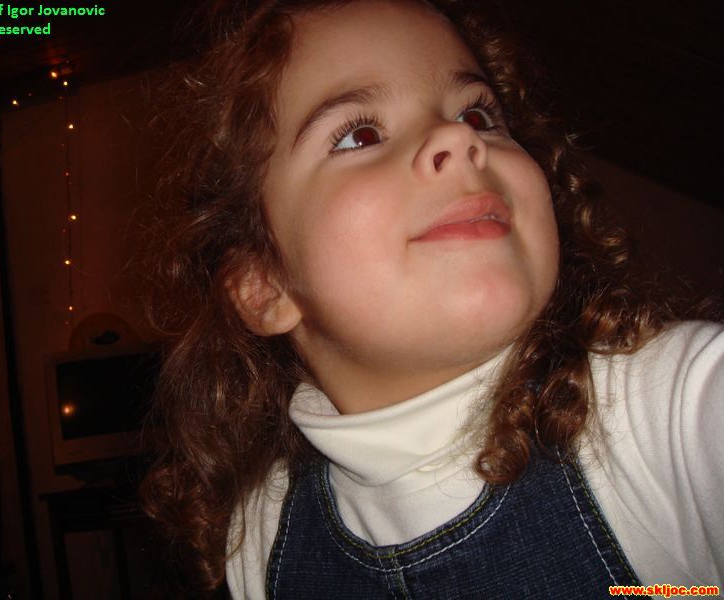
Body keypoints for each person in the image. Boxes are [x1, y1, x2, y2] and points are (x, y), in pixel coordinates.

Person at [139, 0, 724, 597]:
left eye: (478, 115)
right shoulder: (262, 536)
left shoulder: (673, 413)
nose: (458, 136)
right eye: (361, 135)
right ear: (265, 285)